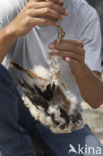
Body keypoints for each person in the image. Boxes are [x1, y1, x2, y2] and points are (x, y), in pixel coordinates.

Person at [0, 0, 103, 155]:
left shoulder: (85, 15)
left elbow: (96, 100)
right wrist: (11, 31)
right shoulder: (9, 6)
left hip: (62, 120)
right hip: (13, 113)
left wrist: (81, 69)